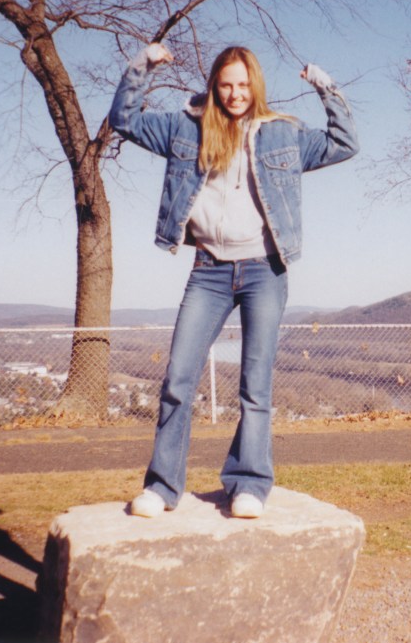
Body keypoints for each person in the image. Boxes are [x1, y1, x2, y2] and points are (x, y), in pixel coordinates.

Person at [108, 43, 358, 518]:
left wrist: (325, 86)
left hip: (266, 270)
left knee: (254, 384)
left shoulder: (284, 133)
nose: (235, 93)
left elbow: (345, 143)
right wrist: (143, 65)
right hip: (209, 271)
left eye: (244, 84)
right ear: (214, 86)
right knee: (179, 378)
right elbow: (124, 119)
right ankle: (162, 488)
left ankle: (248, 484)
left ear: (255, 85)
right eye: (226, 84)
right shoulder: (185, 126)